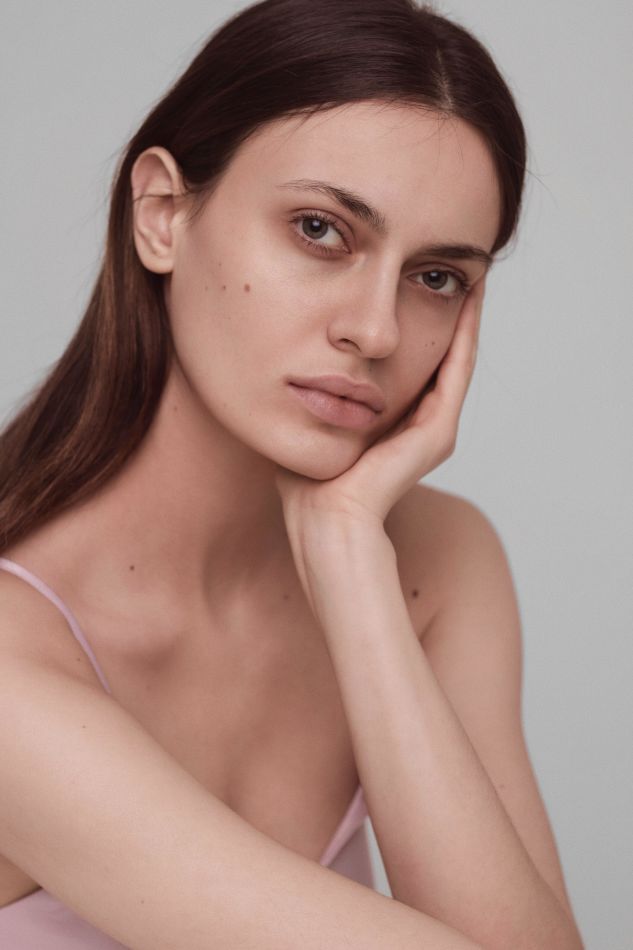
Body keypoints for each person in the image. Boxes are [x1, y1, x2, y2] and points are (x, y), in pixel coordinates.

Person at [0, 0, 584, 946]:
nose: (376, 330)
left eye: (436, 277)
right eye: (320, 230)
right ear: (162, 215)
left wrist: (349, 559)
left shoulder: (439, 560)